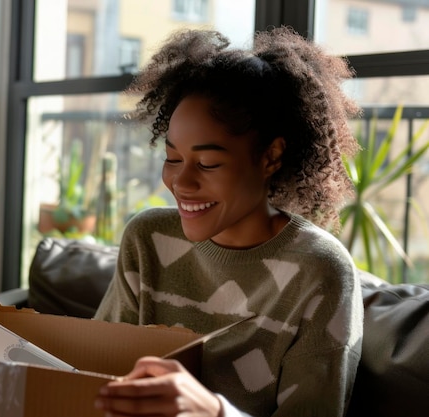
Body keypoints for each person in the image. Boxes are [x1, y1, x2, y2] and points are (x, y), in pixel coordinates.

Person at [92, 26, 364, 417]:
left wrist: (214, 412)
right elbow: (97, 372)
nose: (181, 182)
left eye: (207, 163)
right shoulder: (148, 237)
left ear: (270, 157)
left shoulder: (319, 271)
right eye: (172, 158)